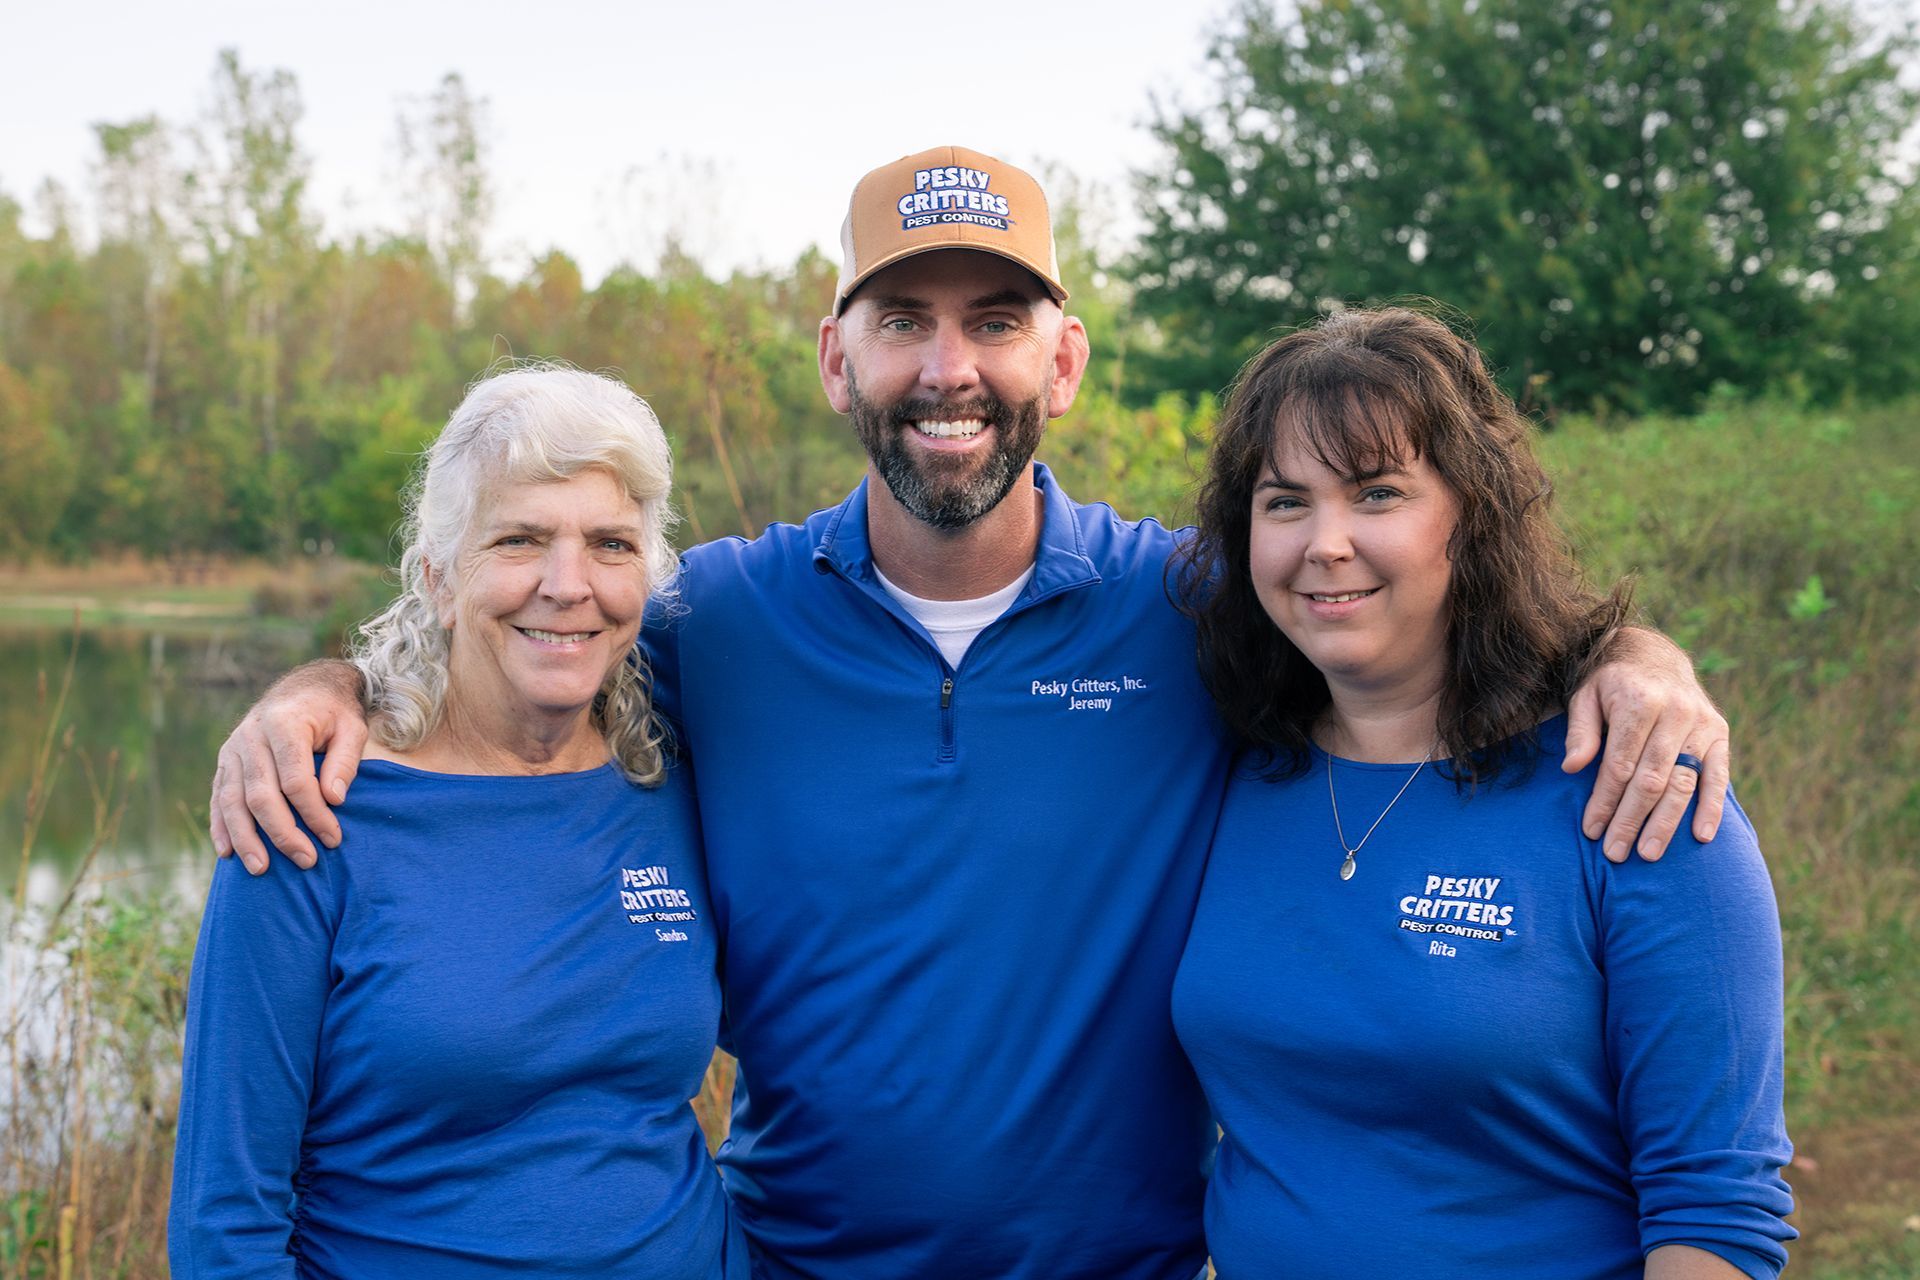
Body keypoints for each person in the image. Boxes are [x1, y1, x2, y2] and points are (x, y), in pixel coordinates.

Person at [205, 149, 1736, 1279]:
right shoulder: (713, 621)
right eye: (904, 320)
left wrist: (1633, 664)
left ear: (1061, 359)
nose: (951, 368)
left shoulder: (1200, 609)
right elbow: (516, 636)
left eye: (997, 319)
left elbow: (1400, 610)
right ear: (836, 359)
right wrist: (319, 687)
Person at [1170, 307, 1793, 1278]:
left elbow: (1717, 1215)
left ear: (1474, 510)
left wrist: (1642, 651)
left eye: (1377, 492)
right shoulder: (1222, 770)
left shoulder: (1634, 789)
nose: (1325, 542)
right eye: (1285, 501)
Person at [170, 367, 747, 1278]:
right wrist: (320, 686)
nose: (569, 584)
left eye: (610, 543)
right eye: (519, 539)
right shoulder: (309, 813)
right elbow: (224, 1223)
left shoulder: (676, 782)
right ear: (438, 578)